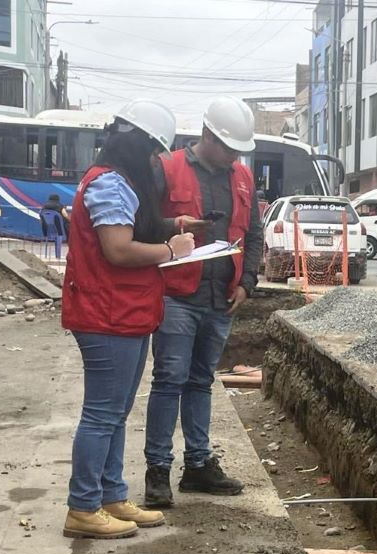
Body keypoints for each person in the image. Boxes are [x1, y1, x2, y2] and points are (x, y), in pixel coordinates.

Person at [61, 99, 197, 539]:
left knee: (115, 414)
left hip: (125, 312)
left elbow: (133, 230)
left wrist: (167, 228)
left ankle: (111, 496)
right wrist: (171, 251)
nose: (158, 161)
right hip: (107, 315)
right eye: (155, 151)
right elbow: (118, 249)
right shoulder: (110, 184)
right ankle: (83, 507)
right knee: (102, 415)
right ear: (137, 144)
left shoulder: (118, 183)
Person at [143, 96, 263, 506]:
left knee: (201, 381)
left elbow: (253, 235)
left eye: (237, 150)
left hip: (219, 297)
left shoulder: (243, 178)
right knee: (169, 380)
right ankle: (157, 470)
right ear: (207, 135)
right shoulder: (167, 167)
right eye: (228, 147)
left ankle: (197, 465)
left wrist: (246, 282)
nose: (233, 156)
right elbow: (142, 224)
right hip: (177, 294)